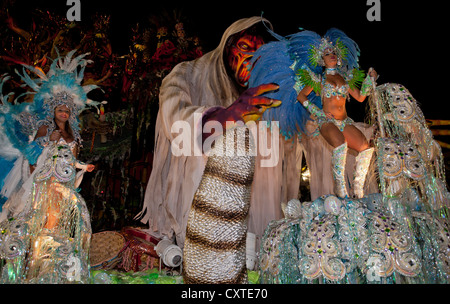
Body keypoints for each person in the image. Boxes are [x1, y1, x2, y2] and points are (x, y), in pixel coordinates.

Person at [137, 17, 302, 250]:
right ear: (227, 45)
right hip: (197, 208)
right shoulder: (188, 75)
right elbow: (175, 120)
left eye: (262, 52)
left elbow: (309, 132)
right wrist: (228, 116)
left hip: (253, 216)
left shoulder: (270, 93)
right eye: (245, 48)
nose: (253, 59)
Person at [0, 50, 99, 283]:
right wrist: (49, 142)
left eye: (67, 110)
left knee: (60, 224)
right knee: (40, 220)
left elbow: (71, 159)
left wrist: (84, 167)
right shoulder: (46, 128)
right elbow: (32, 155)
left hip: (63, 184)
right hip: (45, 182)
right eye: (60, 110)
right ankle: (32, 265)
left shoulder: (73, 134)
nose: (63, 113)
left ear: (70, 113)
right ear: (53, 111)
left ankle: (54, 264)